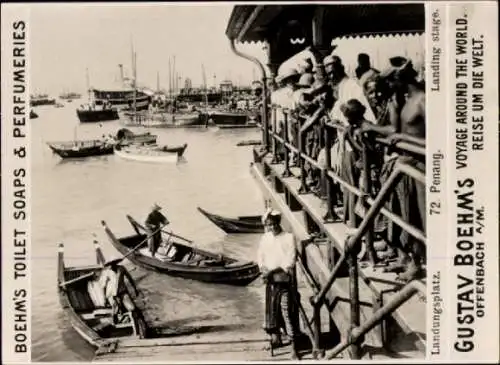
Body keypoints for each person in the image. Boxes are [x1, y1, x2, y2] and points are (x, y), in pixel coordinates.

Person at [361, 57, 426, 281]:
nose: (387, 89)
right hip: (410, 164)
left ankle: (423, 265)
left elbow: (438, 140)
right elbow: (397, 130)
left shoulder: (423, 100)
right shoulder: (404, 100)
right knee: (410, 216)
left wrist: (401, 137)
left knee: (423, 217)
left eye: (389, 83)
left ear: (398, 80)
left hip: (423, 166)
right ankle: (412, 260)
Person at [257, 210, 300, 360]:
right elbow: (260, 256)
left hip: (283, 282)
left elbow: (290, 261)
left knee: (287, 313)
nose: (272, 227)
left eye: (274, 223)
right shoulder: (265, 238)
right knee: (271, 312)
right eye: (269, 225)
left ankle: (294, 348)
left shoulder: (288, 237)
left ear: (279, 222)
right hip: (270, 281)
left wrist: (272, 270)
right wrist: (263, 269)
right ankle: (276, 339)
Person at [98, 258, 144, 331]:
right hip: (112, 294)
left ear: (115, 263)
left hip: (123, 292)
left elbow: (129, 278)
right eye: (110, 264)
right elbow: (103, 286)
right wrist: (104, 298)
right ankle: (114, 316)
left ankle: (138, 326)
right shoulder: (106, 272)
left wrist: (135, 289)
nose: (112, 266)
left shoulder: (121, 268)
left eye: (113, 264)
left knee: (132, 308)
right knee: (116, 308)